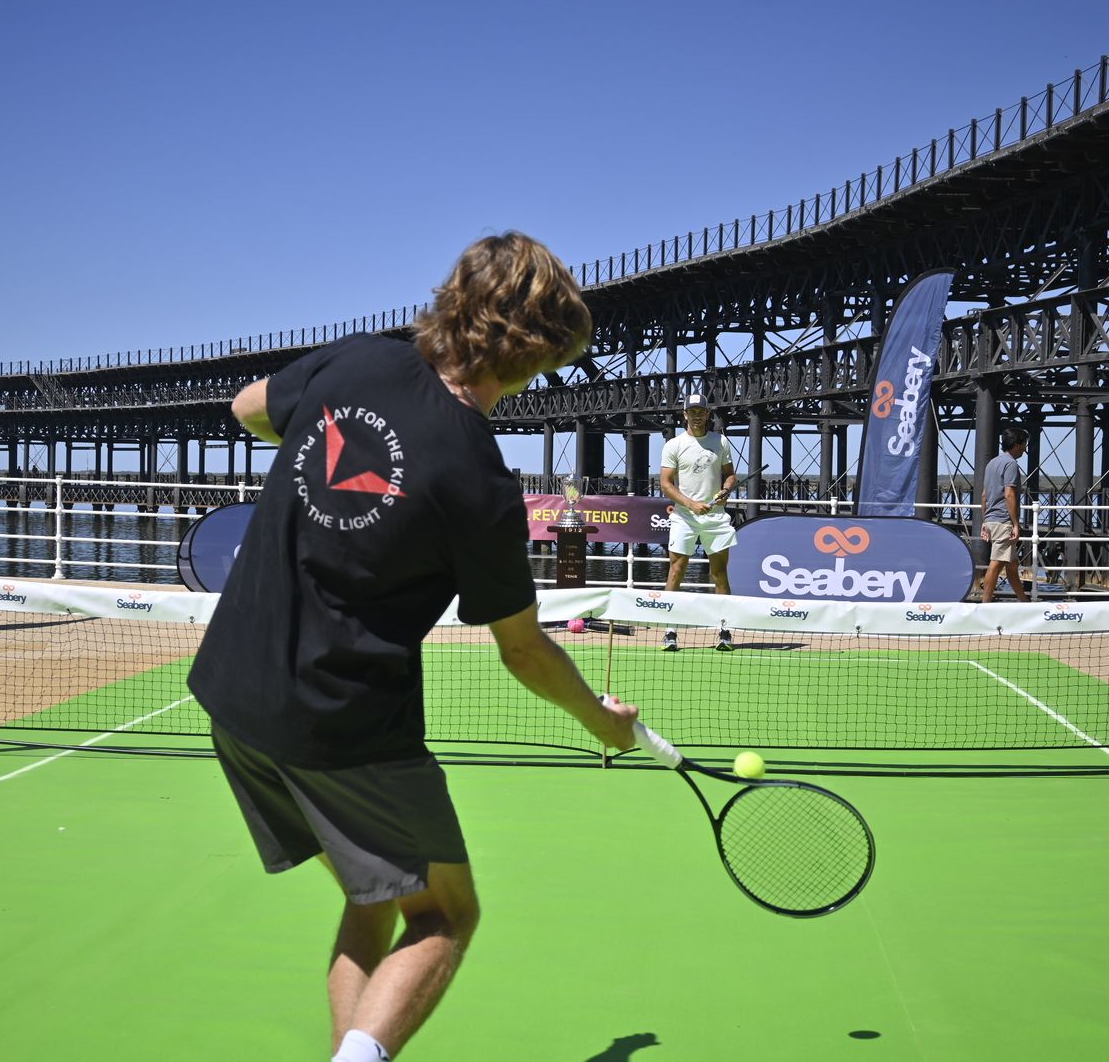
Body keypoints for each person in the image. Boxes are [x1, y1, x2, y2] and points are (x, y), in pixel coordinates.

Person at [187, 232, 639, 1062]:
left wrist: (314, 444)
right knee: (444, 915)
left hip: (233, 698)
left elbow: (248, 408)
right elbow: (524, 650)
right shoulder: (480, 480)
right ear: (538, 354)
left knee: (374, 901)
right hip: (343, 725)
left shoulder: (354, 362)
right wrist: (598, 722)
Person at [658, 392, 739, 651]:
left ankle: (724, 630)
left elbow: (730, 476)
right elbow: (665, 484)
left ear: (707, 414)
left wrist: (726, 490)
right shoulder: (674, 445)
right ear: (685, 415)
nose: (696, 416)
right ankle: (670, 631)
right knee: (676, 571)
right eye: (691, 411)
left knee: (719, 573)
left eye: (700, 411)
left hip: (715, 517)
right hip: (685, 517)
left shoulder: (721, 442)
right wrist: (690, 504)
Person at [980, 426, 1030, 602]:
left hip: (992, 519)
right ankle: (984, 605)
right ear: (1017, 444)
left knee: (1011, 566)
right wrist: (1016, 524)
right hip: (1003, 521)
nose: (1025, 448)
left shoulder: (992, 463)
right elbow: (1009, 494)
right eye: (1025, 444)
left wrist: (984, 521)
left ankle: (1024, 603)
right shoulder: (1011, 464)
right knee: (996, 564)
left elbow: (984, 495)